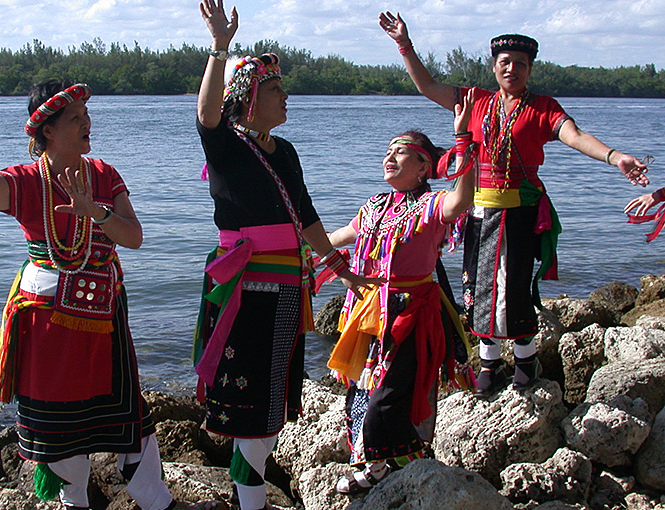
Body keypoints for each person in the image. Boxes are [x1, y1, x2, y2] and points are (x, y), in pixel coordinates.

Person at [0, 65, 215, 510]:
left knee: (131, 413)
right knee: (60, 423)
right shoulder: (27, 182)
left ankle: (158, 503)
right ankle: (74, 502)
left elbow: (135, 236)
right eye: (75, 119)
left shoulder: (103, 174)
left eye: (86, 114)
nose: (87, 124)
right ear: (47, 131)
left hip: (104, 318)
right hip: (49, 324)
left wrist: (96, 213)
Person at [378, 11, 650, 397]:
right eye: (505, 62)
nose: (512, 69)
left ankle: (526, 360)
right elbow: (427, 85)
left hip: (519, 214)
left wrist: (614, 156)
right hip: (477, 212)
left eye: (520, 64)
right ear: (494, 68)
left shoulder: (542, 107)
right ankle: (488, 363)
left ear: (530, 70)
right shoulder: (473, 101)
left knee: (514, 289)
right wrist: (404, 44)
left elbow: (575, 135)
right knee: (476, 287)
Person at [193, 1, 381, 509]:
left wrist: (343, 271)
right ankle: (250, 498)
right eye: (276, 88)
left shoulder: (287, 152)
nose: (286, 95)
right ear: (249, 97)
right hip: (246, 290)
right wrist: (220, 47)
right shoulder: (228, 146)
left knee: (274, 402)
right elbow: (207, 114)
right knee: (252, 405)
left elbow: (309, 219)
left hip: (284, 291)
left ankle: (246, 494)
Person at [326, 90, 476, 494]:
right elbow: (335, 239)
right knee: (361, 389)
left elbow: (464, 198)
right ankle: (374, 463)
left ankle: (395, 462)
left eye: (402, 152)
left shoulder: (431, 205)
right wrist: (301, 246)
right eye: (388, 151)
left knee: (390, 394)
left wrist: (463, 142)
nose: (389, 157)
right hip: (367, 312)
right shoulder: (375, 206)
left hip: (410, 314)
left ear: (425, 167)